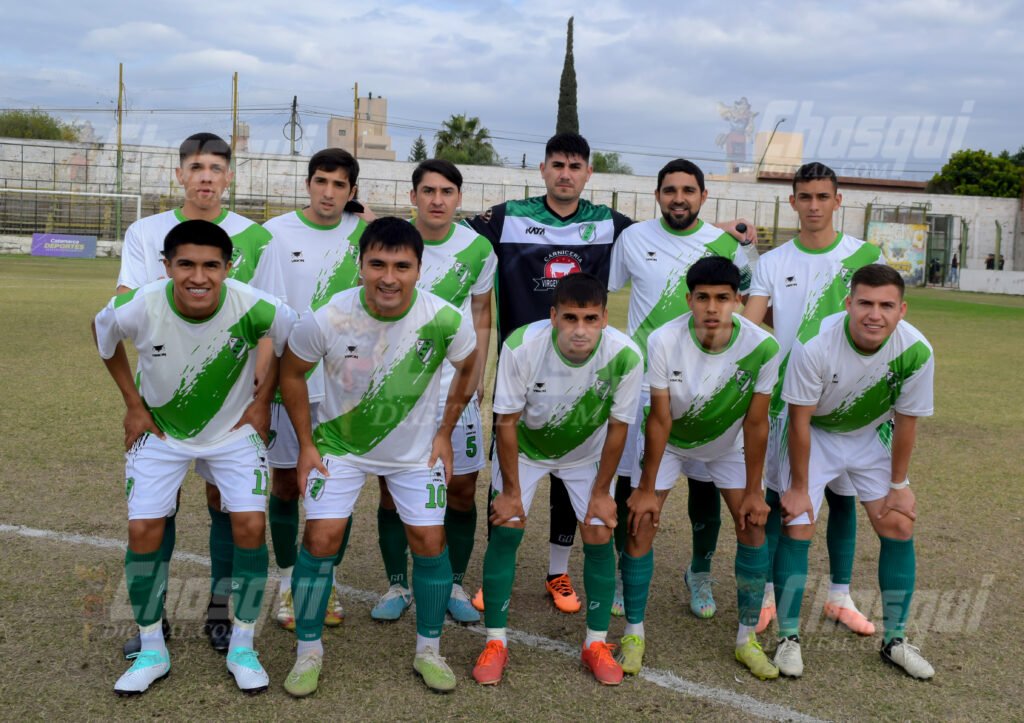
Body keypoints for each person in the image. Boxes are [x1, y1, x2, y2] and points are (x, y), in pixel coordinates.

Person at [466, 132, 755, 613]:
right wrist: (366, 214)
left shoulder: (608, 223)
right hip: (524, 365)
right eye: (557, 164)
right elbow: (443, 226)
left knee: (572, 473)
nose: (565, 174)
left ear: (588, 173)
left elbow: (672, 229)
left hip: (589, 370)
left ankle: (558, 572)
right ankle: (497, 571)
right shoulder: (506, 216)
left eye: (574, 166)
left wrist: (717, 230)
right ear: (542, 169)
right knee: (508, 473)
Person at [94, 220, 296, 695]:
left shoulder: (256, 305)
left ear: (228, 267)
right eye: (186, 264)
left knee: (250, 526)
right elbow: (103, 338)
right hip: (160, 432)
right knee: (143, 530)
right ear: (167, 266)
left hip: (232, 433)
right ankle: (152, 650)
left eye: (211, 265)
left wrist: (263, 400)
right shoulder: (139, 304)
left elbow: (292, 344)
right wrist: (133, 404)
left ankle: (243, 646)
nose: (198, 277)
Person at [278, 217, 478, 696]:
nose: (389, 277)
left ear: (419, 268)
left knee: (429, 541)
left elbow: (469, 367)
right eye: (378, 264)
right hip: (340, 447)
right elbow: (291, 373)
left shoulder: (445, 318)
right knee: (321, 538)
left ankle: (429, 650)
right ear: (360, 264)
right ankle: (308, 653)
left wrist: (445, 432)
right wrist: (306, 444)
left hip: (414, 453)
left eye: (401, 266)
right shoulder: (327, 317)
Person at [115, 132, 274, 655]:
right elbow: (126, 306)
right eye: (197, 167)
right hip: (164, 399)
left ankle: (221, 610)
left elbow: (269, 317)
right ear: (180, 173)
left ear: (229, 176)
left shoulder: (255, 237)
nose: (206, 177)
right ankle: (153, 620)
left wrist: (260, 392)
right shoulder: (145, 232)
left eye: (216, 168)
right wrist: (135, 403)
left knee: (226, 502)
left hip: (233, 399)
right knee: (158, 508)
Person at [471, 273, 643, 686]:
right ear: (553, 316)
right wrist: (511, 492)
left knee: (599, 530)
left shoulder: (626, 354)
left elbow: (619, 427)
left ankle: (595, 643)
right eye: (570, 318)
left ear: (604, 319)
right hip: (525, 451)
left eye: (590, 318)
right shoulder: (521, 346)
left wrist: (602, 492)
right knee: (507, 527)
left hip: (585, 456)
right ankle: (495, 642)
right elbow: (506, 422)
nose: (580, 330)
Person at [773, 264, 935, 680]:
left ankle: (895, 640)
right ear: (848, 304)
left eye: (886, 306)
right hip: (815, 433)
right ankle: (788, 637)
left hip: (868, 433)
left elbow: (907, 421)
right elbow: (799, 421)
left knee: (898, 523)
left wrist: (899, 485)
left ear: (902, 310)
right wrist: (798, 487)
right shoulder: (815, 344)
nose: (874, 315)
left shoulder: (917, 351)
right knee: (798, 522)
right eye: (865, 303)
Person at [608, 158, 753, 621]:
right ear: (657, 195)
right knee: (634, 484)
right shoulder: (633, 239)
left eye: (688, 190)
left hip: (710, 384)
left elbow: (749, 298)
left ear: (703, 197)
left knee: (706, 483)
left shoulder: (726, 245)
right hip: (644, 385)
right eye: (670, 190)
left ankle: (700, 572)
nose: (678, 198)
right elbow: (605, 290)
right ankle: (623, 571)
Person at [622, 257, 780, 679]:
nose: (713, 307)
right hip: (671, 442)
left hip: (727, 445)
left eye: (723, 298)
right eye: (703, 297)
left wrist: (754, 491)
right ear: (688, 299)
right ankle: (633, 634)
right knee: (641, 522)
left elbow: (756, 422)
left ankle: (746, 639)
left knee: (753, 526)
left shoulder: (763, 347)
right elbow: (659, 419)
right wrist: (646, 488)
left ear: (738, 300)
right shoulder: (663, 339)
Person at [743, 162, 881, 637]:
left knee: (844, 499)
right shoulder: (772, 262)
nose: (814, 206)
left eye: (823, 197)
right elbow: (751, 323)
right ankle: (768, 595)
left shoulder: (865, 255)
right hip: (788, 400)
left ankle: (839, 596)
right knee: (779, 497)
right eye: (805, 197)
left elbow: (882, 321)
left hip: (848, 401)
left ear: (838, 201)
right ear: (793, 202)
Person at [372, 159, 496, 624]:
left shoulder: (478, 248)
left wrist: (476, 371)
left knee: (461, 489)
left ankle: (455, 583)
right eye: (428, 191)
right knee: (391, 490)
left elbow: (481, 312)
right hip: (397, 389)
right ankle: (397, 584)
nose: (437, 200)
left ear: (459, 198)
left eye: (447, 192)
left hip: (453, 388)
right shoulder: (394, 243)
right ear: (413, 196)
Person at [257, 148, 368, 632]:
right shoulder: (275, 233)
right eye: (321, 181)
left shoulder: (364, 234)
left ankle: (327, 579)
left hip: (348, 384)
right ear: (307, 184)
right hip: (291, 380)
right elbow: (264, 311)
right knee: (285, 483)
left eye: (339, 185)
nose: (328, 192)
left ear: (353, 192)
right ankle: (287, 582)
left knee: (335, 486)